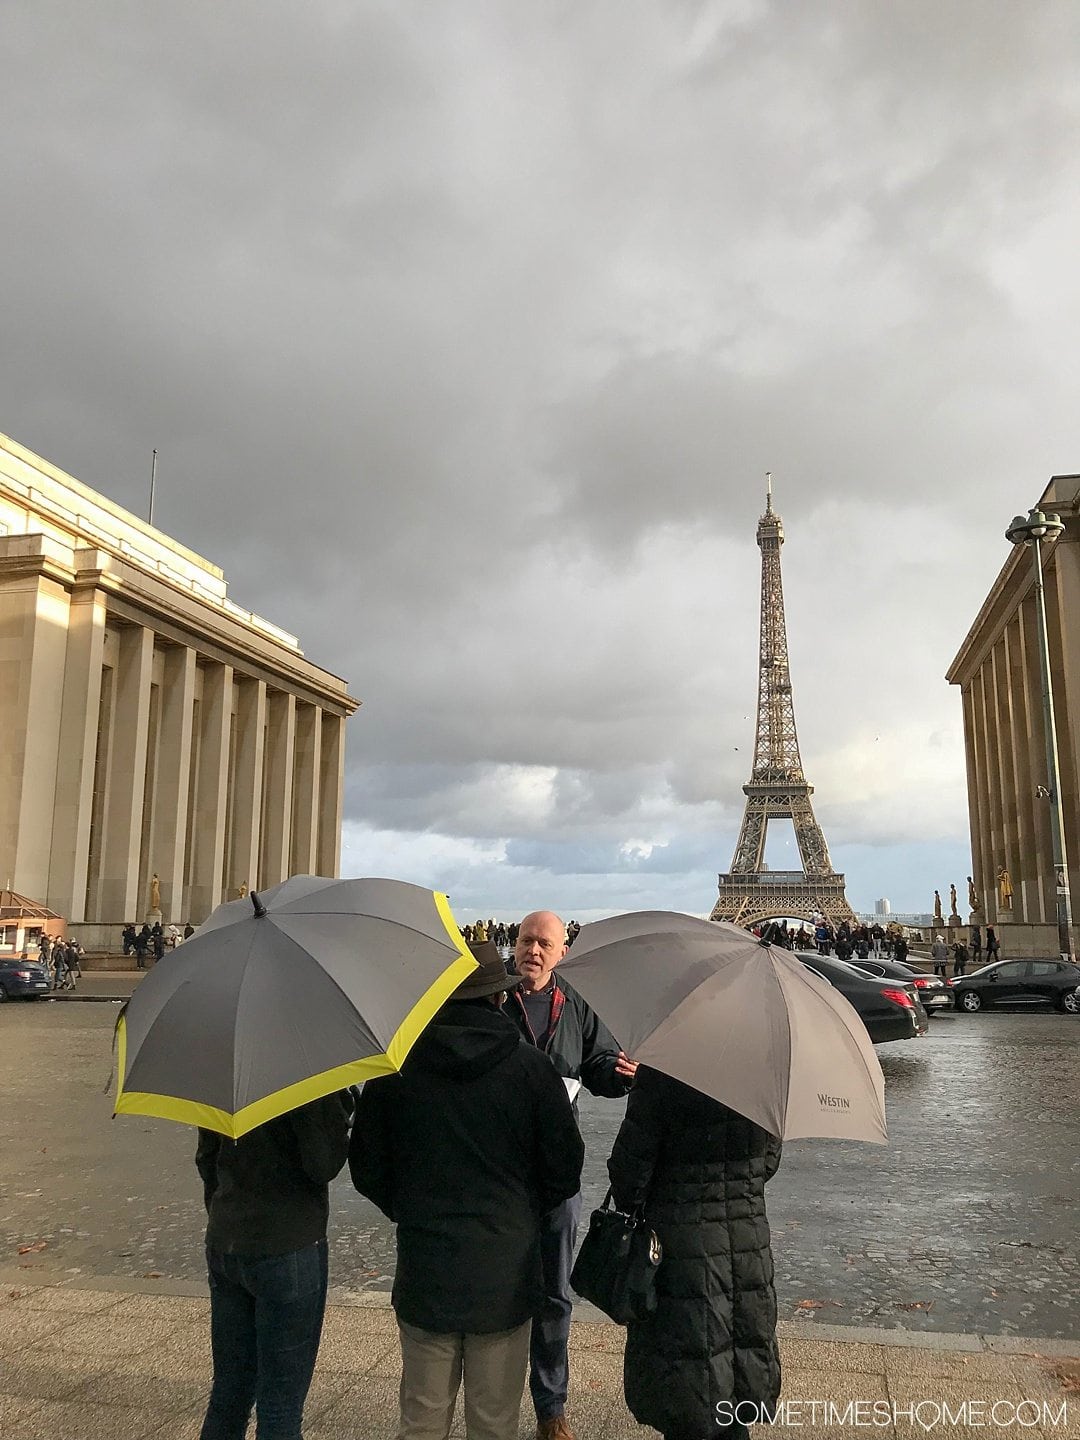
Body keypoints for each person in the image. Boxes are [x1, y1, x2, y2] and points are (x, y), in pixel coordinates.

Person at [350, 942, 584, 1440]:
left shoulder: (394, 1073)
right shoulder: (532, 1071)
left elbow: (367, 1168)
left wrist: (410, 1209)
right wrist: (522, 1213)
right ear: (500, 1000)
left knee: (421, 1419)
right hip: (506, 1267)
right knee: (495, 1422)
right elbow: (565, 1172)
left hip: (426, 1261)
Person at [507, 911, 636, 1440]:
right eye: (525, 941)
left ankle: (550, 1407)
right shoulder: (494, 1002)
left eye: (544, 943)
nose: (532, 951)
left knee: (555, 1295)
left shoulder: (576, 1004)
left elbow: (599, 1065)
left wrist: (620, 1074)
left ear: (562, 953)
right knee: (500, 1291)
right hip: (502, 1173)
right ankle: (492, 1401)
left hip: (558, 1175)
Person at [608, 1066, 782, 1440]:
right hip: (746, 1239)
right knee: (735, 1368)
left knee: (687, 1381)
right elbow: (768, 1163)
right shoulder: (762, 1075)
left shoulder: (661, 1073)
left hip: (679, 1245)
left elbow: (629, 1177)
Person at [195, 1090, 353, 1439]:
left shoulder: (226, 1069)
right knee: (280, 1404)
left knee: (228, 1393)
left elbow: (207, 1156)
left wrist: (225, 1209)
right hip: (287, 1244)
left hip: (227, 1238)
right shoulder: (306, 1075)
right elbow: (323, 1164)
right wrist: (338, 1108)